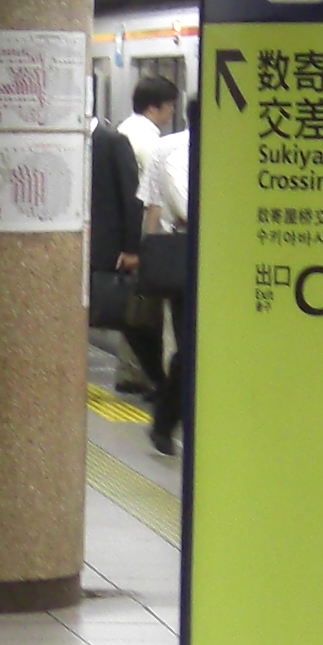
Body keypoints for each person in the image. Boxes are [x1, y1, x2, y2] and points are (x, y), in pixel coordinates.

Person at [88, 101, 161, 407]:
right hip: (82, 252)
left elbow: (133, 200)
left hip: (109, 253)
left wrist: (132, 249)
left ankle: (159, 380)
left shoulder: (112, 142)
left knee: (129, 319)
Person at [113, 74, 179, 397]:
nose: (170, 114)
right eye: (169, 107)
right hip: (148, 234)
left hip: (130, 234)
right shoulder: (152, 143)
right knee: (152, 313)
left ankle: (131, 370)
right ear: (155, 106)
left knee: (135, 308)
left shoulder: (123, 129)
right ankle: (154, 377)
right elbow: (154, 199)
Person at [141, 95, 194, 456]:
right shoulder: (176, 151)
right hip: (188, 258)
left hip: (222, 260)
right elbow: (181, 207)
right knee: (190, 346)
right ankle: (165, 420)